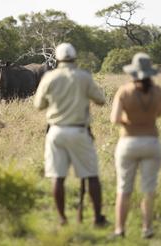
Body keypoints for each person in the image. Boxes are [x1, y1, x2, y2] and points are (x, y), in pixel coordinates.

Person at [34, 43, 107, 226]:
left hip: (55, 131)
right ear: (75, 58)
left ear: (57, 59)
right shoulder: (83, 77)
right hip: (79, 131)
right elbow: (101, 100)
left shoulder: (49, 77)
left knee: (57, 177)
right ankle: (98, 218)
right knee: (91, 175)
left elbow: (38, 105)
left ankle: (62, 218)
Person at [110, 53, 161, 238]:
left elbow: (114, 119)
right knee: (148, 189)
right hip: (152, 141)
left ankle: (119, 230)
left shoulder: (124, 91)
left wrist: (129, 121)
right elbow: (160, 112)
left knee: (123, 189)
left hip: (128, 142)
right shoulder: (157, 91)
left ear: (133, 72)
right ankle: (147, 229)